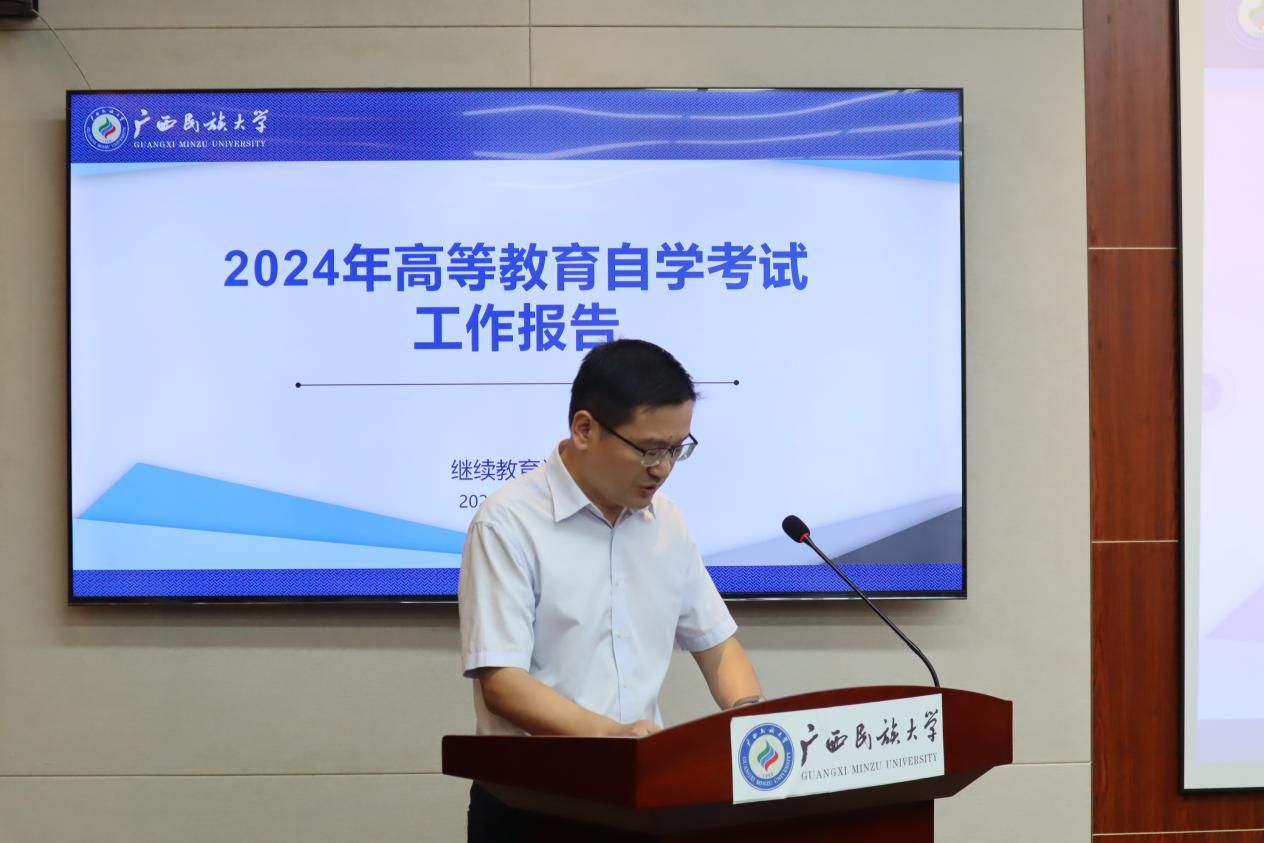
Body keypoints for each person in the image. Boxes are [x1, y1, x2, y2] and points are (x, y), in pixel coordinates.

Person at [458, 338, 764, 841]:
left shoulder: (667, 523)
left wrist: (750, 717)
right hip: (531, 804)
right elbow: (503, 683)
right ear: (585, 429)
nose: (663, 468)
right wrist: (612, 736)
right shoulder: (508, 522)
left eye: (676, 449)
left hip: (640, 798)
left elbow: (718, 646)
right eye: (649, 449)